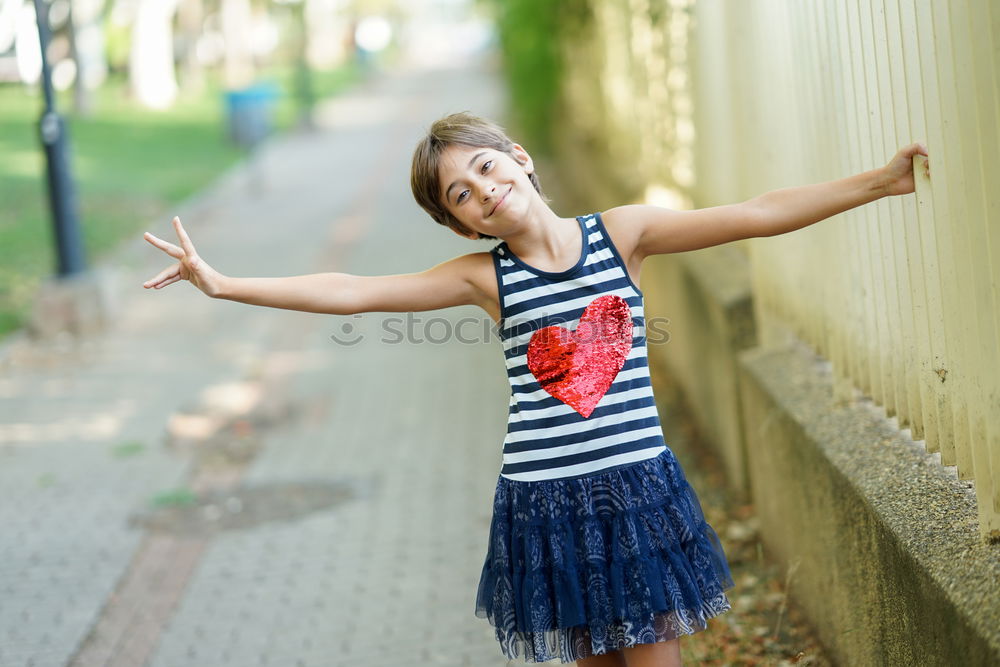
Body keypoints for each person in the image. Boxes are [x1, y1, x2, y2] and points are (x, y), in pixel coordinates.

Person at [142, 112, 928, 666]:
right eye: (460, 195)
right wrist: (224, 283)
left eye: (483, 167)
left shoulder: (622, 234)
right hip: (547, 506)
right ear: (463, 226)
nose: (481, 190)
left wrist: (878, 182)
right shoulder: (483, 277)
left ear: (517, 156)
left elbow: (755, 214)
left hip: (637, 495)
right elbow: (353, 289)